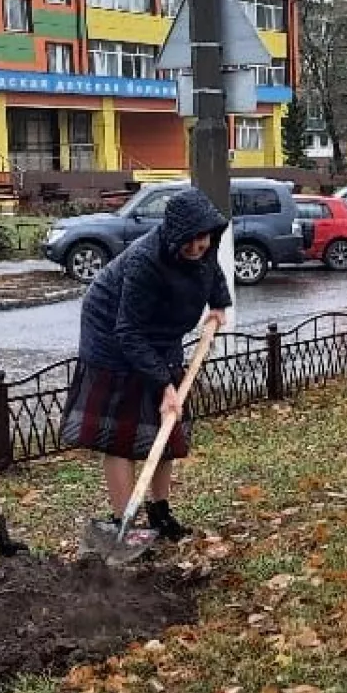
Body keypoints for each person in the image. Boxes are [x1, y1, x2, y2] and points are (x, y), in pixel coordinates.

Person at [61, 188, 229, 547]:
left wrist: (218, 305)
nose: (198, 247)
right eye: (190, 241)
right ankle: (124, 522)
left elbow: (212, 274)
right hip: (113, 336)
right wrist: (165, 386)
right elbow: (129, 331)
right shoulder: (145, 262)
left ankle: (159, 512)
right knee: (122, 435)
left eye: (204, 239)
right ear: (174, 236)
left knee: (164, 428)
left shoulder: (205, 246)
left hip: (158, 335)